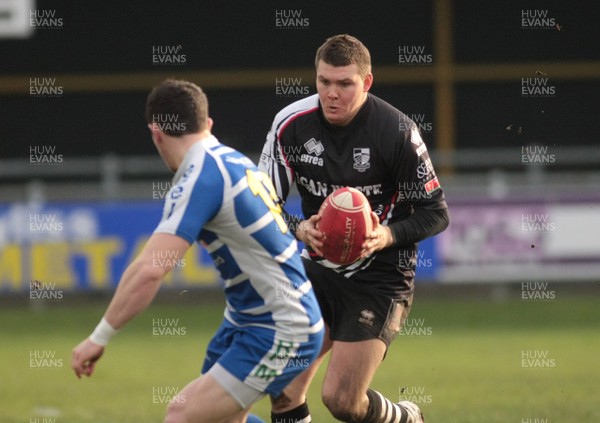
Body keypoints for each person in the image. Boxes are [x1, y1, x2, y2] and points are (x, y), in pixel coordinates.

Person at [71, 79, 324, 423]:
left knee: (182, 415)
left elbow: (151, 268)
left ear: (155, 132)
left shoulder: (201, 176)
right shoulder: (232, 161)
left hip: (281, 324)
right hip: (249, 320)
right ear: (208, 125)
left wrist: (98, 338)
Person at [259, 34, 449, 423]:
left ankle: (404, 418)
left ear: (366, 82)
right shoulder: (291, 125)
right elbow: (260, 205)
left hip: (380, 275)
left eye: (344, 83)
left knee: (342, 401)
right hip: (315, 268)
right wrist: (298, 229)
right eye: (324, 82)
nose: (332, 93)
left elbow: (436, 212)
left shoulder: (395, 132)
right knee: (282, 391)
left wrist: (386, 235)